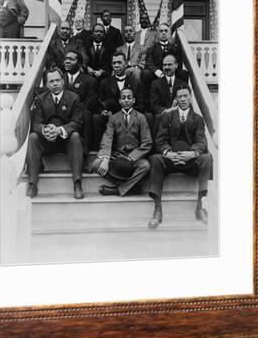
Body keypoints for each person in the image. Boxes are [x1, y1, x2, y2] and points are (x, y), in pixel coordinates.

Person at [148, 85, 212, 229]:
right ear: (176, 99)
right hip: (172, 160)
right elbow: (160, 140)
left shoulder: (198, 119)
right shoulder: (167, 116)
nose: (182, 99)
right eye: (179, 96)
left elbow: (201, 141)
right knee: (156, 159)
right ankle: (157, 209)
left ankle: (200, 206)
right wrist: (168, 154)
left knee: (207, 158)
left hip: (190, 161)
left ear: (190, 97)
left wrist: (192, 153)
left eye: (185, 96)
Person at [26, 67, 84, 199]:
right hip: (47, 141)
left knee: (75, 136)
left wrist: (59, 130)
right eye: (51, 81)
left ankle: (77, 183)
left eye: (58, 80)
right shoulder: (40, 99)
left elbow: (77, 122)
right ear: (47, 84)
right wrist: (45, 130)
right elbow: (36, 124)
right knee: (33, 137)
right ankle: (32, 184)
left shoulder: (74, 98)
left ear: (63, 81)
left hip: (66, 141)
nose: (55, 84)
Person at [91, 88, 152, 196]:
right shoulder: (114, 118)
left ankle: (117, 190)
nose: (126, 100)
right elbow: (107, 137)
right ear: (119, 101)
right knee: (96, 164)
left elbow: (147, 142)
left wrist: (132, 157)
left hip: (134, 157)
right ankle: (130, 187)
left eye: (129, 97)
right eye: (123, 98)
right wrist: (105, 158)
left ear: (134, 100)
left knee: (145, 166)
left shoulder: (141, 118)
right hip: (118, 155)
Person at [92, 51, 145, 148]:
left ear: (126, 64)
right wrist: (103, 111)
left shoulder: (136, 83)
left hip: (130, 115)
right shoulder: (104, 83)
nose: (116, 65)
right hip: (111, 116)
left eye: (119, 63)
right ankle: (101, 150)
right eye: (114, 63)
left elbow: (141, 105)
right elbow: (99, 102)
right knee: (96, 118)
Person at [63, 50, 99, 155]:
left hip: (80, 112)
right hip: (62, 111)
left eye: (71, 59)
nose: (67, 61)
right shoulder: (60, 79)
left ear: (79, 64)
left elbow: (91, 102)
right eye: (66, 59)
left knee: (86, 114)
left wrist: (74, 109)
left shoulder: (89, 80)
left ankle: (85, 151)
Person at [149, 54, 187, 136]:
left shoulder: (182, 84)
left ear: (176, 65)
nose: (166, 67)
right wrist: (166, 111)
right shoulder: (155, 84)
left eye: (169, 64)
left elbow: (186, 102)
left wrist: (175, 110)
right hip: (163, 114)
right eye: (164, 65)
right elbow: (153, 105)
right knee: (158, 117)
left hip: (178, 113)